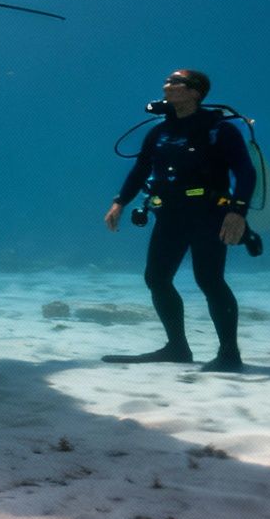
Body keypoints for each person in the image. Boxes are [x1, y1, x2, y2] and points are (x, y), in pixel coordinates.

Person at [100, 69, 256, 372]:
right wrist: (120, 201)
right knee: (156, 279)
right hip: (170, 215)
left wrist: (237, 212)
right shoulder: (159, 131)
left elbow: (245, 172)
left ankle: (229, 354)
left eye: (175, 82)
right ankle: (177, 348)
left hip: (209, 215)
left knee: (209, 280)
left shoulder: (219, 130)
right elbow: (140, 170)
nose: (166, 86)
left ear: (195, 92)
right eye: (167, 81)